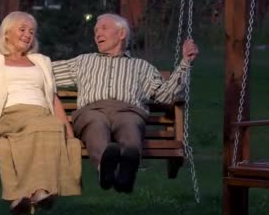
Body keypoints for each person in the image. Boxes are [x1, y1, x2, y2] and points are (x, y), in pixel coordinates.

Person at [52, 13, 199, 193]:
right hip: (92, 110)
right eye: (96, 30)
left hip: (128, 110)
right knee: (95, 123)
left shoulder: (141, 67)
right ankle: (104, 171)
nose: (98, 33)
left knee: (129, 124)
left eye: (104, 28)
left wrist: (185, 63)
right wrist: (14, 57)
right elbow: (45, 70)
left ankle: (127, 171)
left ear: (121, 34)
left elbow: (165, 95)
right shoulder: (83, 61)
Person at [0, 11, 82, 215]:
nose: (27, 35)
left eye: (31, 32)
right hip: (8, 114)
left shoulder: (42, 60)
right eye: (22, 30)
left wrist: (68, 132)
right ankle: (39, 190)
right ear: (6, 33)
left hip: (41, 115)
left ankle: (23, 195)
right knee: (42, 126)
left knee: (48, 126)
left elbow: (51, 98)